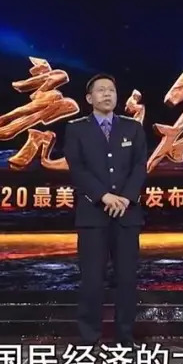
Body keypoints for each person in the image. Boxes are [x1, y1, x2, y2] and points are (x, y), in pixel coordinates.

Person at [63, 73, 148, 346]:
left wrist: (126, 198)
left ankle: (125, 337)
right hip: (93, 215)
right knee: (92, 279)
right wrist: (103, 196)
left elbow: (139, 166)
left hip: (127, 215)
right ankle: (90, 338)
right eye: (101, 90)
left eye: (111, 90)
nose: (107, 94)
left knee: (126, 279)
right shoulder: (76, 129)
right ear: (89, 98)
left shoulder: (132, 128)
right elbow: (78, 169)